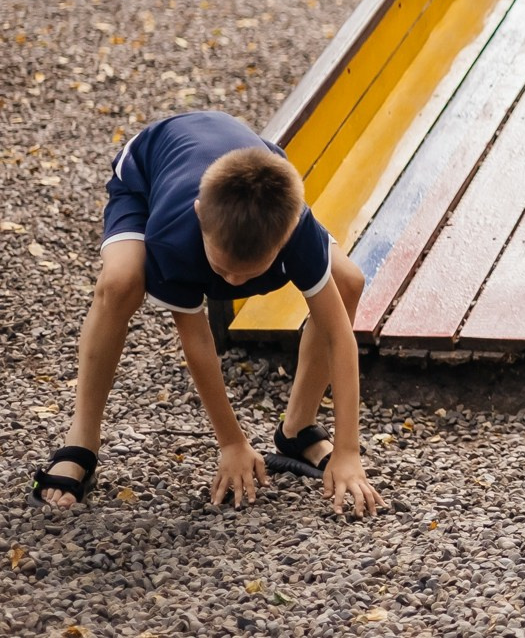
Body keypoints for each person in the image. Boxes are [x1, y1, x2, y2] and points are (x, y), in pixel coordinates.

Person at [31, 111, 382, 516]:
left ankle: (297, 430)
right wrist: (231, 442)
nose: (231, 284)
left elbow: (341, 338)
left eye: (247, 274)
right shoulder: (173, 235)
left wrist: (348, 450)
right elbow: (198, 343)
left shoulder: (296, 229)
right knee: (122, 282)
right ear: (201, 215)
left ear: (285, 237)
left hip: (249, 171)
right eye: (221, 270)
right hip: (149, 174)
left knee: (348, 281)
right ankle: (82, 440)